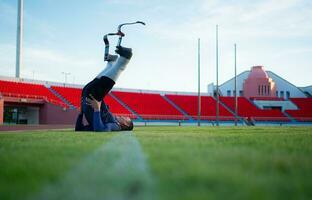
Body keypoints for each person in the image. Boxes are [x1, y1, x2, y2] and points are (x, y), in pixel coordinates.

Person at [75, 46, 133, 132]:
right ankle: (114, 62)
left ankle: (122, 58)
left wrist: (81, 114)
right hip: (92, 96)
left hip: (89, 97)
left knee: (101, 80)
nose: (122, 116)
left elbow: (96, 129)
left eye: (125, 118)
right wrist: (95, 110)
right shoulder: (113, 122)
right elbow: (84, 129)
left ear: (125, 124)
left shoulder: (116, 126)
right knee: (101, 80)